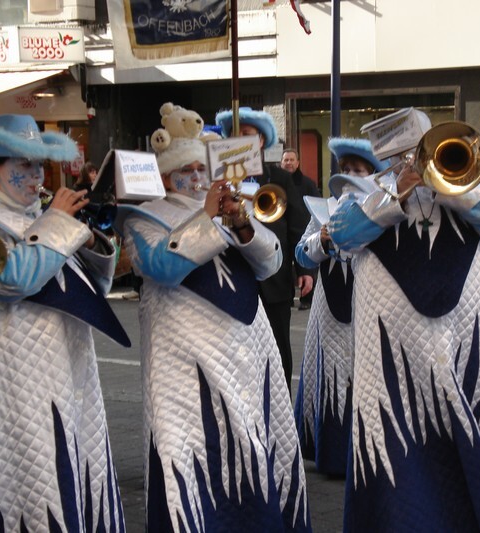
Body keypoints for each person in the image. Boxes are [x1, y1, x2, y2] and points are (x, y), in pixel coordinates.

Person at [328, 113, 480, 531]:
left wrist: (451, 185)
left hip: (464, 330)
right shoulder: (365, 192)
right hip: (392, 340)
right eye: (402, 156)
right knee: (397, 436)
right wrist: (395, 194)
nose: (413, 161)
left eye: (418, 151)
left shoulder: (469, 181)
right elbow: (342, 234)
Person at [119, 104, 310, 530]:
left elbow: (271, 264)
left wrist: (241, 224)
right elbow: (162, 267)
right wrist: (205, 217)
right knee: (191, 444)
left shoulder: (235, 205)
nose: (196, 177)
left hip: (246, 344)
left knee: (254, 441)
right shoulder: (142, 217)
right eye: (185, 170)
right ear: (166, 176)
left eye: (201, 169)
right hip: (183, 352)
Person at [0, 114, 129, 531]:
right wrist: (57, 223)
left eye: (39, 165)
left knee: (77, 472)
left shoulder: (40, 214)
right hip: (10, 373)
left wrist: (91, 238)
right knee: (26, 483)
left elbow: (98, 284)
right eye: (23, 165)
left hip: (68, 367)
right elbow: (15, 281)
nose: (36, 176)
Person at [293, 137, 386, 477]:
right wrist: (320, 240)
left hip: (370, 301)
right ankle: (332, 453)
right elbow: (302, 254)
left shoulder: (384, 208)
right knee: (331, 368)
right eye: (346, 168)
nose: (351, 174)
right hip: (328, 306)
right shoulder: (326, 208)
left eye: (358, 169)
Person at [215, 107, 312, 391]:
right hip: (231, 274)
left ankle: (280, 400)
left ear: (260, 141)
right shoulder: (218, 178)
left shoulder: (279, 177)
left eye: (247, 134)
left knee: (278, 346)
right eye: (235, 135)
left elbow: (297, 225)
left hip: (274, 278)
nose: (241, 140)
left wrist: (304, 268)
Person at [281, 148, 320, 310]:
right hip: (282, 231)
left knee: (305, 263)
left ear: (297, 163)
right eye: (286, 160)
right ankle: (287, 297)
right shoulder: (276, 183)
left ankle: (307, 298)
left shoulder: (308, 184)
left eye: (292, 160)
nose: (289, 163)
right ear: (281, 163)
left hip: (303, 229)